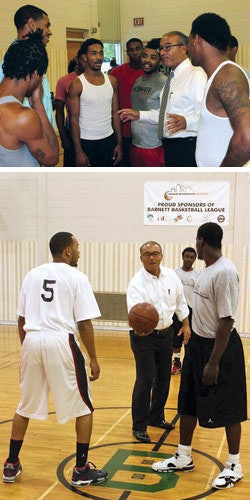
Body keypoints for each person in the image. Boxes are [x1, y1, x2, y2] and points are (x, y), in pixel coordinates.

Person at [2, 231, 108, 487]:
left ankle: (11, 464)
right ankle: (81, 469)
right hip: (61, 341)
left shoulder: (32, 274)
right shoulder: (76, 276)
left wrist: (28, 348)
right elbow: (84, 323)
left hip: (32, 340)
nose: (80, 251)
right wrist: (93, 358)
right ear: (68, 251)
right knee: (85, 405)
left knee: (24, 406)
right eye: (78, 247)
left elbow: (21, 320)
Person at [152, 222, 247, 490]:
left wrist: (214, 362)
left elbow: (226, 321)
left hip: (220, 349)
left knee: (230, 408)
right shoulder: (207, 271)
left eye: (196, 241)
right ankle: (183, 455)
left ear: (201, 241)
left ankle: (233, 465)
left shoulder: (225, 272)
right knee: (187, 403)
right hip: (197, 346)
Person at [127, 241, 190, 443]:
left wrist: (186, 324)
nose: (152, 257)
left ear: (161, 256)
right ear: (141, 258)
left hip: (166, 334)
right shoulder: (136, 282)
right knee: (145, 379)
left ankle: (156, 417)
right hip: (143, 337)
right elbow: (135, 313)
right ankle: (139, 426)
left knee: (164, 377)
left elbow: (181, 303)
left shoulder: (171, 276)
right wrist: (140, 327)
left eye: (155, 253)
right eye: (147, 254)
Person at [118, 31, 207, 167]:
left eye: (168, 47)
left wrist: (186, 122)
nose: (163, 52)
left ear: (184, 48)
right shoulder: (172, 77)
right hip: (170, 146)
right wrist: (138, 115)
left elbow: (207, 116)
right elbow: (165, 115)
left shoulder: (196, 75)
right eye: (161, 48)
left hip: (187, 146)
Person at [189, 13, 250, 167]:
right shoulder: (219, 76)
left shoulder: (227, 76)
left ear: (196, 39)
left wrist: (223, 176)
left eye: (188, 42)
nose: (188, 49)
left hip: (227, 185)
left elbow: (247, 137)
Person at [0, 32, 58, 167]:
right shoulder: (22, 117)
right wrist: (37, 103)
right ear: (36, 73)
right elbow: (52, 158)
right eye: (41, 76)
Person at [67, 38, 122, 167]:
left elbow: (115, 114)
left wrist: (119, 143)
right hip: (86, 142)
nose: (99, 57)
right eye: (94, 53)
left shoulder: (112, 81)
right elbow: (73, 120)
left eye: (101, 53)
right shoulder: (76, 85)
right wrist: (79, 151)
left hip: (108, 140)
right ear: (85, 57)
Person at [0, 4, 54, 127]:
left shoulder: (35, 57)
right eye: (47, 26)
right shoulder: (12, 62)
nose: (50, 32)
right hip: (25, 139)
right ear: (32, 24)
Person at [129, 39, 167, 167]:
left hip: (154, 146)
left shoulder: (165, 82)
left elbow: (165, 115)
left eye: (153, 57)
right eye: (145, 56)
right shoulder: (138, 81)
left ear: (160, 60)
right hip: (135, 143)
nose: (147, 61)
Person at [111, 38, 144, 166]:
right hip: (122, 130)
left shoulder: (150, 72)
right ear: (127, 52)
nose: (135, 53)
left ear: (142, 49)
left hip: (143, 131)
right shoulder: (117, 73)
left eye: (137, 49)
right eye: (131, 50)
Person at [171, 247, 199, 375]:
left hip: (191, 310)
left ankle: (188, 364)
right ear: (182, 257)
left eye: (191, 257)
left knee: (189, 338)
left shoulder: (197, 276)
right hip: (176, 310)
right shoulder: (174, 273)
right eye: (186, 256)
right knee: (176, 338)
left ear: (194, 259)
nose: (188, 259)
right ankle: (176, 363)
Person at [55, 55, 82, 167]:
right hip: (70, 130)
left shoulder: (97, 79)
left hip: (92, 132)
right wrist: (63, 136)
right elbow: (59, 110)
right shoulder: (64, 81)